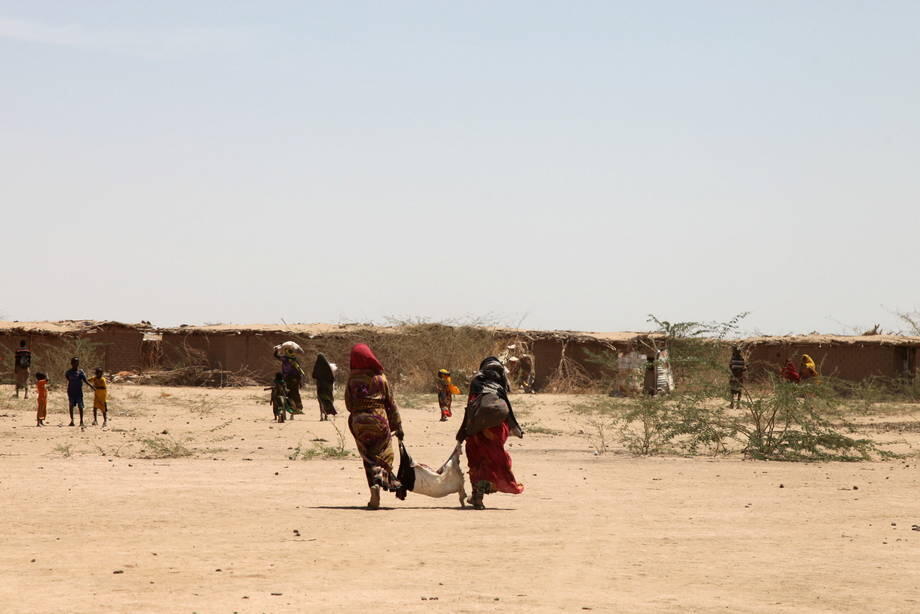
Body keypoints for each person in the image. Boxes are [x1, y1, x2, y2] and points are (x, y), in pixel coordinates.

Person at [456, 357, 524, 510]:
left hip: (477, 431)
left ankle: (477, 497)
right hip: (496, 432)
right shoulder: (500, 384)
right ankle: (485, 490)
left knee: (477, 461)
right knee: (493, 459)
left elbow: (471, 408)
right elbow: (507, 412)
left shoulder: (476, 382)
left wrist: (462, 433)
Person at [344, 344, 403, 510]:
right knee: (383, 452)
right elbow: (390, 404)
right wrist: (397, 425)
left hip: (358, 421)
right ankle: (380, 477)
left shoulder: (352, 380)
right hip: (379, 419)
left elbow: (349, 404)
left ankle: (373, 491)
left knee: (368, 456)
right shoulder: (380, 378)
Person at [274, 345, 305, 417]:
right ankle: (298, 407)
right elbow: (299, 372)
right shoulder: (295, 360)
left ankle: (290, 408)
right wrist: (300, 382)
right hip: (296, 380)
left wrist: (276, 350)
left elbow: (276, 356)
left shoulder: (285, 359)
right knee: (295, 393)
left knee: (287, 393)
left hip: (288, 379)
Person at [64, 357, 95, 427]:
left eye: (77, 362)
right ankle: (72, 421)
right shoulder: (68, 372)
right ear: (72, 363)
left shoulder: (80, 372)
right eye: (75, 362)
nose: (76, 364)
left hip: (79, 392)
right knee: (71, 406)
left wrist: (91, 386)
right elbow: (68, 378)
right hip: (71, 392)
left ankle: (81, 421)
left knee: (80, 406)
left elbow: (85, 380)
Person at [311, 353, 338, 421]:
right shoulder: (328, 367)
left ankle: (321, 416)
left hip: (320, 386)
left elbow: (313, 375)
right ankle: (326, 415)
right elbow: (332, 378)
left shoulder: (317, 367)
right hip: (328, 387)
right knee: (328, 400)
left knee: (321, 400)